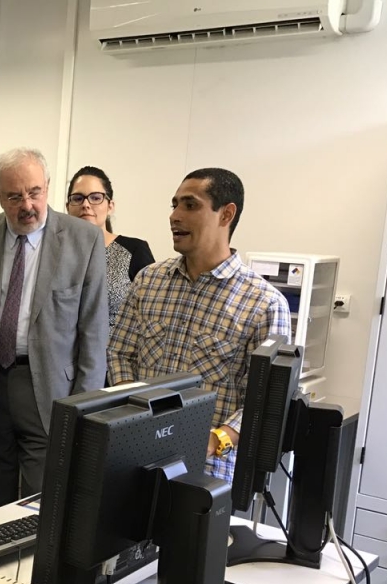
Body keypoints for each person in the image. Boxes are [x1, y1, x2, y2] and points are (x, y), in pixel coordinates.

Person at [108, 168, 291, 482]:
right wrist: (135, 413)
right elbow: (120, 352)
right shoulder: (149, 281)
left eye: (190, 205)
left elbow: (264, 401)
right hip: (137, 458)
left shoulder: (263, 303)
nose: (174, 216)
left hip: (208, 472)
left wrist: (215, 440)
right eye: (174, 204)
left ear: (226, 214)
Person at [0, 148, 108, 507]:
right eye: (14, 196)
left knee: (45, 498)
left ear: (48, 187)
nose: (27, 205)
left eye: (35, 192)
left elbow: (93, 332)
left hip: (51, 389)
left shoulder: (83, 239)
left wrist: (83, 408)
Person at [66, 166, 154, 327]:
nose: (86, 204)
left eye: (95, 198)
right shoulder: (57, 252)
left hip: (115, 342)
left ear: (110, 206)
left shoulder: (134, 250)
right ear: (68, 207)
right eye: (78, 198)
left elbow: (151, 313)